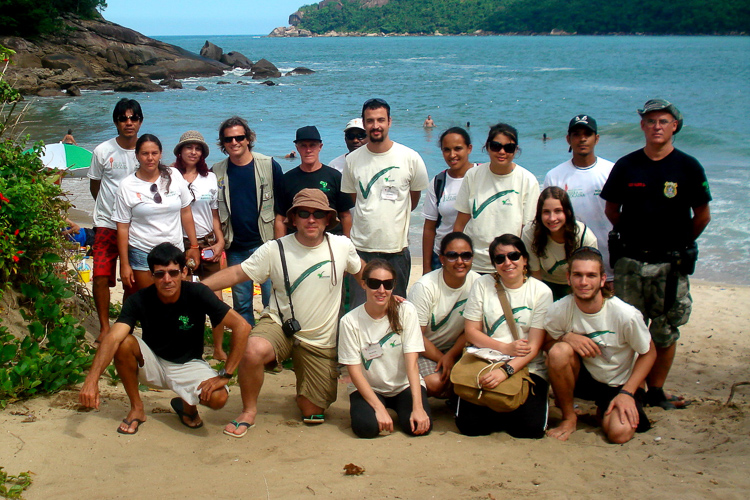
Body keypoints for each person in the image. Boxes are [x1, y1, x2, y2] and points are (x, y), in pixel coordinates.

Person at [202, 189, 363, 435]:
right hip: (280, 324)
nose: (311, 219)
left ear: (328, 219)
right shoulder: (274, 249)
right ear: (293, 219)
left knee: (312, 412)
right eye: (304, 213)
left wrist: (385, 291)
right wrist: (196, 289)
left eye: (318, 214)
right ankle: (248, 411)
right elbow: (237, 273)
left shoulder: (342, 246)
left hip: (320, 340)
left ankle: (305, 386)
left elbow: (362, 272)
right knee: (252, 349)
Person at [601, 99, 711, 410]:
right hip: (631, 262)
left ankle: (656, 391)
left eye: (663, 121)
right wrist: (636, 236)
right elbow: (612, 210)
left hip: (670, 264)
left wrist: (679, 242)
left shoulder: (688, 167)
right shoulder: (627, 165)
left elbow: (702, 216)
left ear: (675, 126)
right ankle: (631, 388)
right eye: (650, 121)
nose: (657, 127)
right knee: (628, 328)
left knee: (665, 330)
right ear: (642, 126)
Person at [78, 243, 251, 435]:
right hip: (153, 362)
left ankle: (187, 407)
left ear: (183, 272)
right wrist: (91, 380)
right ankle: (137, 408)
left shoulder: (198, 293)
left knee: (218, 398)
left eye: (173, 273)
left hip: (189, 364)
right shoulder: (139, 299)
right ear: (151, 275)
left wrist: (225, 375)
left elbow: (242, 326)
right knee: (123, 342)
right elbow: (112, 338)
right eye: (160, 274)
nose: (167, 280)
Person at [545, 247, 656, 443]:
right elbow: (546, 342)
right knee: (559, 351)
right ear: (568, 278)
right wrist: (566, 337)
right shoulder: (559, 309)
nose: (583, 282)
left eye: (591, 275)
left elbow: (649, 353)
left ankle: (605, 410)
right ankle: (569, 417)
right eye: (577, 275)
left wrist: (627, 392)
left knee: (619, 434)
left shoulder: (626, 315)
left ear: (603, 279)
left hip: (618, 382)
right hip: (585, 377)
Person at [456, 234, 552, 439]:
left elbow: (534, 346)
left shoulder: (541, 292)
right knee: (470, 427)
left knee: (530, 430)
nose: (507, 263)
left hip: (527, 365)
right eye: (500, 259)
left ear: (525, 259)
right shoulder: (482, 284)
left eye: (514, 256)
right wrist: (504, 348)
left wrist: (506, 371)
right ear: (494, 264)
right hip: (488, 360)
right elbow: (471, 331)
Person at [342, 98, 429, 306]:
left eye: (381, 120)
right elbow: (355, 199)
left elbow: (413, 199)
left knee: (395, 309)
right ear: (364, 123)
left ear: (390, 121)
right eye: (370, 121)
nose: (376, 125)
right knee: (360, 309)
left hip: (396, 250)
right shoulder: (352, 160)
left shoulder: (410, 157)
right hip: (361, 249)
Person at [339, 259, 432, 438]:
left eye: (387, 284)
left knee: (419, 427)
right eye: (374, 284)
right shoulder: (349, 322)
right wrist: (379, 408)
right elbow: (354, 372)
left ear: (393, 286)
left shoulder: (406, 311)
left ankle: (404, 408)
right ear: (364, 284)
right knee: (366, 429)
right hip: (370, 387)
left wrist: (418, 407)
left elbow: (412, 363)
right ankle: (380, 407)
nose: (381, 290)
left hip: (403, 385)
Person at [212, 116, 284, 326]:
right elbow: (211, 209)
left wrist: (279, 244)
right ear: (223, 143)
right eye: (228, 139)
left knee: (273, 301)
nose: (234, 142)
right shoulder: (216, 171)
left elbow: (282, 209)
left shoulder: (269, 165)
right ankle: (247, 340)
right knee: (241, 304)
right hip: (235, 248)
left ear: (248, 139)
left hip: (266, 244)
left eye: (239, 137)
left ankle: (271, 340)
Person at [113, 134, 200, 294]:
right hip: (142, 251)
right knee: (150, 300)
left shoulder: (174, 175)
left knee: (175, 298)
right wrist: (124, 264)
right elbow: (122, 227)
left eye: (154, 153)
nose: (150, 158)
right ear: (137, 155)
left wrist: (194, 245)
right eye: (145, 153)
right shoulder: (127, 186)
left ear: (160, 154)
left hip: (175, 250)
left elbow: (186, 211)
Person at [88, 98, 143, 341]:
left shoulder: (146, 150)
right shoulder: (103, 150)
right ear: (116, 122)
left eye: (133, 118)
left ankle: (124, 323)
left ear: (140, 121)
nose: (128, 123)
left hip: (136, 226)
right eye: (123, 118)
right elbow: (95, 186)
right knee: (100, 275)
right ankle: (103, 326)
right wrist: (109, 210)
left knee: (132, 280)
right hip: (106, 223)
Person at [454, 123, 539, 274]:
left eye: (509, 148)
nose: (502, 152)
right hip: (474, 263)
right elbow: (460, 223)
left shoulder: (528, 180)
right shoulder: (473, 175)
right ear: (487, 147)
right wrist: (457, 256)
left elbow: (527, 231)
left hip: (509, 264)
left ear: (516, 150)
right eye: (496, 146)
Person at [172, 130, 228, 360]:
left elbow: (214, 214)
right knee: (183, 298)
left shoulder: (210, 178)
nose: (193, 152)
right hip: (181, 244)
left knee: (216, 299)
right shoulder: (170, 176)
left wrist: (220, 241)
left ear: (203, 153)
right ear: (180, 151)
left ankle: (218, 348)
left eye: (198, 148)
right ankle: (186, 345)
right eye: (189, 147)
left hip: (208, 243)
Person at [543, 114, 615, 284]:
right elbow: (547, 220)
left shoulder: (612, 171)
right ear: (568, 139)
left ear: (597, 138)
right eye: (576, 134)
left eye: (587, 134)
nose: (582, 139)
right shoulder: (554, 176)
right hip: (570, 265)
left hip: (609, 260)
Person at [408, 232, 479, 397]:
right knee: (436, 383)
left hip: (456, 349)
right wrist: (443, 358)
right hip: (423, 350)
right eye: (453, 256)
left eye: (466, 256)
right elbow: (415, 336)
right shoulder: (425, 287)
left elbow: (472, 329)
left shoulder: (477, 284)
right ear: (442, 259)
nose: (460, 261)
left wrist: (451, 356)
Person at [276, 125, 354, 237]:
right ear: (297, 148)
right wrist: (280, 246)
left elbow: (345, 215)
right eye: (303, 146)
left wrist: (348, 244)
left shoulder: (335, 176)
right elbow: (280, 219)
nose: (308, 150)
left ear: (320, 147)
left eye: (312, 145)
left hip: (331, 239)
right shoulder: (286, 179)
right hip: (297, 240)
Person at [522, 186, 598, 300]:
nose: (552, 218)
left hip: (577, 285)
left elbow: (590, 276)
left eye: (558, 211)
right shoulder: (530, 233)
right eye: (546, 212)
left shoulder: (584, 236)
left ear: (567, 212)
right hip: (545, 284)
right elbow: (535, 275)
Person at [421, 127, 474, 274]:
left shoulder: (482, 176)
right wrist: (426, 267)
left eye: (458, 149)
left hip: (477, 257)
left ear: (469, 149)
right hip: (443, 256)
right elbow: (429, 228)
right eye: (447, 150)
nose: (452, 155)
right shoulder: (439, 182)